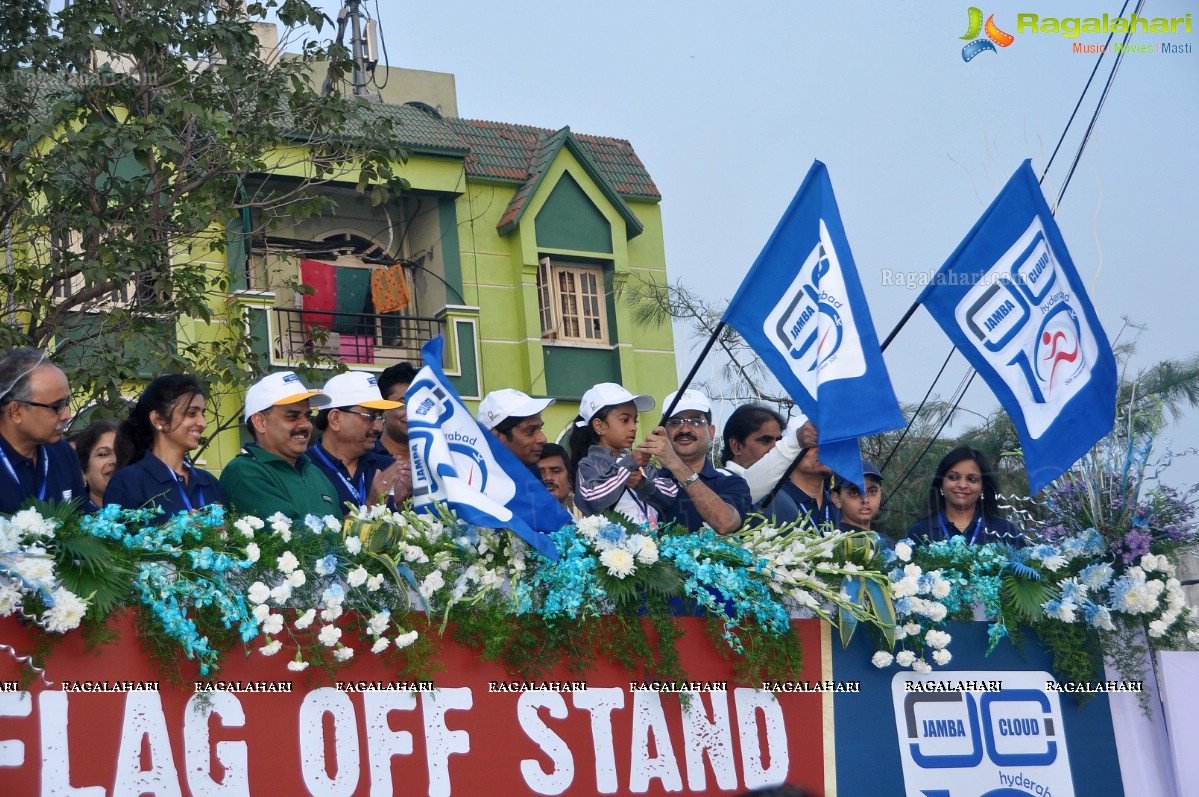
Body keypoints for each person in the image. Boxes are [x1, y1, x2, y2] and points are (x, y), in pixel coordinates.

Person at [220, 371, 341, 520]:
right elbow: (286, 534)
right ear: (260, 422)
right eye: (292, 417)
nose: (306, 425)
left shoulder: (316, 474)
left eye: (308, 416)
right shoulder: (244, 472)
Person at [104, 375, 227, 518]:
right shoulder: (128, 482)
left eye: (202, 414)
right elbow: (115, 538)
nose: (203, 423)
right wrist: (174, 530)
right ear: (158, 419)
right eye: (191, 413)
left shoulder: (209, 482)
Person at [639, 389, 750, 534]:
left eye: (695, 422)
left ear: (711, 432)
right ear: (663, 433)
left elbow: (725, 523)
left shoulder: (730, 482)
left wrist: (675, 464)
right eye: (675, 422)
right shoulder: (646, 482)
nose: (684, 429)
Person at [570, 382, 676, 523]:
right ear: (599, 426)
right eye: (625, 420)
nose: (633, 427)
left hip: (650, 544)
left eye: (635, 420)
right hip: (609, 545)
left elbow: (671, 496)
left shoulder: (642, 464)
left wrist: (643, 484)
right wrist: (629, 465)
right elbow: (594, 500)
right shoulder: (589, 464)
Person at [0, 347, 86, 513]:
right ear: (16, 411)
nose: (67, 415)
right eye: (56, 406)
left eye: (67, 403)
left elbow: (81, 522)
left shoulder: (63, 454)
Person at [310, 371, 407, 511]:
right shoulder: (304, 469)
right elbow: (313, 531)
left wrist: (401, 505)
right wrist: (371, 508)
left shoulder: (387, 468)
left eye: (380, 417)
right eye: (370, 416)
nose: (379, 427)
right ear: (336, 419)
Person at [907, 446, 1026, 548]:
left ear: (982, 487)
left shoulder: (1005, 531)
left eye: (972, 479)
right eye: (953, 477)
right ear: (941, 483)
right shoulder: (920, 532)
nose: (962, 485)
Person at [719, 404, 804, 526]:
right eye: (765, 440)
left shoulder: (784, 494)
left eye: (779, 441)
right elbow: (747, 488)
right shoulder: (718, 485)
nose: (775, 447)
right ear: (736, 446)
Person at [477, 388, 555, 476]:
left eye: (541, 428)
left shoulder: (534, 475)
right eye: (530, 430)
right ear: (496, 437)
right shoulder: (475, 481)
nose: (543, 439)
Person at [376, 361, 417, 503]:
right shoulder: (366, 459)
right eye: (404, 403)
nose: (412, 411)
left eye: (417, 403)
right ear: (383, 408)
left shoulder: (433, 459)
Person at [830, 460, 895, 549]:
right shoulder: (834, 543)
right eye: (854, 493)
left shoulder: (887, 542)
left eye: (872, 492)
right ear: (837, 499)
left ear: (881, 495)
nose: (865, 499)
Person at [780, 443, 841, 530]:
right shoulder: (774, 503)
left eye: (827, 444)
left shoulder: (840, 506)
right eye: (812, 444)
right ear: (791, 453)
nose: (822, 450)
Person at [73, 418, 120, 512]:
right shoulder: (70, 522)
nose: (115, 460)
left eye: (123, 453)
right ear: (83, 471)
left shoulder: (153, 512)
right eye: (103, 454)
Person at [538, 442, 581, 518]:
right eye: (539, 472)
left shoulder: (584, 528)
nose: (548, 478)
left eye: (556, 471)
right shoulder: (517, 528)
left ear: (570, 480)